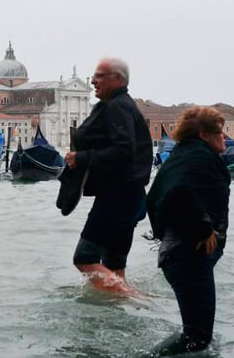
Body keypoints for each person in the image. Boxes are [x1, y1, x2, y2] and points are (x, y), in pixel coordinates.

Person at [145, 107, 230, 355]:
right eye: (219, 131)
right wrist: (203, 229)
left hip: (180, 254)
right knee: (197, 338)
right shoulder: (198, 157)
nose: (224, 136)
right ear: (204, 135)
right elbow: (176, 195)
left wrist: (166, 233)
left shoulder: (182, 155)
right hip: (188, 256)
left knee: (195, 334)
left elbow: (153, 199)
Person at [63, 57, 152, 292]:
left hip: (117, 197)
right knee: (114, 265)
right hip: (130, 197)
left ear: (118, 79)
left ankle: (135, 299)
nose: (92, 81)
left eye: (99, 76)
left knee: (84, 258)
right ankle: (120, 309)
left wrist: (80, 157)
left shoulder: (117, 106)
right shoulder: (122, 104)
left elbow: (123, 151)